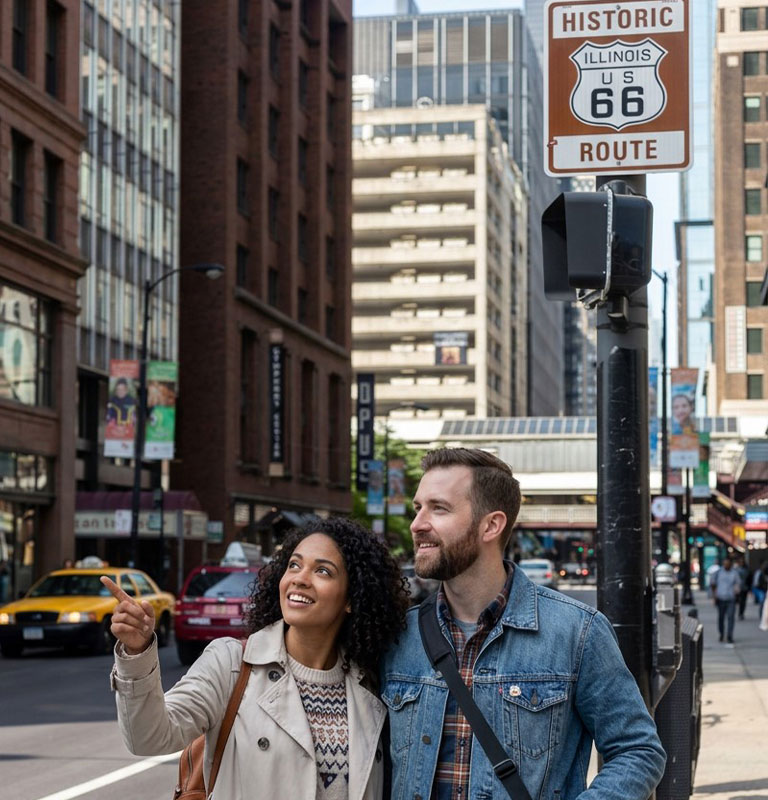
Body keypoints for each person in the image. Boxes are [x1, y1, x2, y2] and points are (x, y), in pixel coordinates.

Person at [382, 448, 666, 800]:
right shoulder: (398, 635)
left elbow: (638, 750)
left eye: (438, 508)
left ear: (491, 525)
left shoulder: (576, 632)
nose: (417, 524)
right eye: (417, 508)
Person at [103, 517, 409, 799]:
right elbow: (150, 737)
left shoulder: (370, 683)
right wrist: (137, 652)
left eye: (322, 571)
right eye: (294, 565)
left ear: (353, 600)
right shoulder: (232, 663)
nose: (300, 579)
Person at [710, 557, 741, 645]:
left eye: (728, 564)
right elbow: (713, 584)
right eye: (725, 564)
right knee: (721, 617)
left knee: (731, 617)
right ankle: (721, 634)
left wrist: (736, 590)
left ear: (730, 564)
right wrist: (714, 596)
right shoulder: (718, 573)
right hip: (721, 598)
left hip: (731, 599)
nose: (726, 565)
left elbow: (738, 583)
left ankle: (729, 636)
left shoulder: (734, 573)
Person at [735, 556, 751, 621]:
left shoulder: (746, 570)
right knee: (740, 601)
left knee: (743, 602)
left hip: (745, 588)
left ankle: (741, 613)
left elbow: (749, 579)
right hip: (739, 588)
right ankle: (740, 613)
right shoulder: (737, 569)